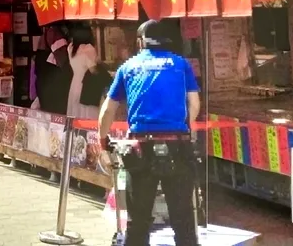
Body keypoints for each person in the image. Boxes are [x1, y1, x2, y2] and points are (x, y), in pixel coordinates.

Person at [98, 19, 200, 246]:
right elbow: (194, 103)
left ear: (141, 41)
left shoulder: (128, 67)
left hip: (140, 149)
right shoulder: (182, 64)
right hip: (178, 147)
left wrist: (102, 141)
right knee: (183, 219)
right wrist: (186, 126)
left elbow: (108, 109)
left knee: (138, 221)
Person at [65, 25, 101, 120]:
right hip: (85, 85)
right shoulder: (88, 49)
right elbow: (93, 70)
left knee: (75, 113)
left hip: (74, 83)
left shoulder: (71, 48)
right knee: (86, 113)